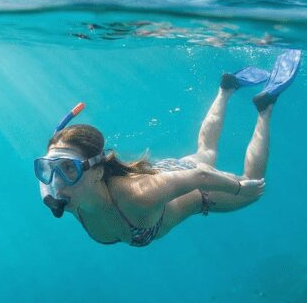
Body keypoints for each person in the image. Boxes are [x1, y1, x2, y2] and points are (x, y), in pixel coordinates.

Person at [34, 50, 301, 247]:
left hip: (198, 189)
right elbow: (52, 179)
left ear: (97, 172)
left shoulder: (140, 196)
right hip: (165, 172)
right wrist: (55, 157)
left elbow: (201, 177)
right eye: (49, 170)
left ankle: (265, 108)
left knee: (251, 190)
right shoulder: (63, 197)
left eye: (68, 169)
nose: (57, 183)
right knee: (206, 152)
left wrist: (240, 188)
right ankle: (226, 89)